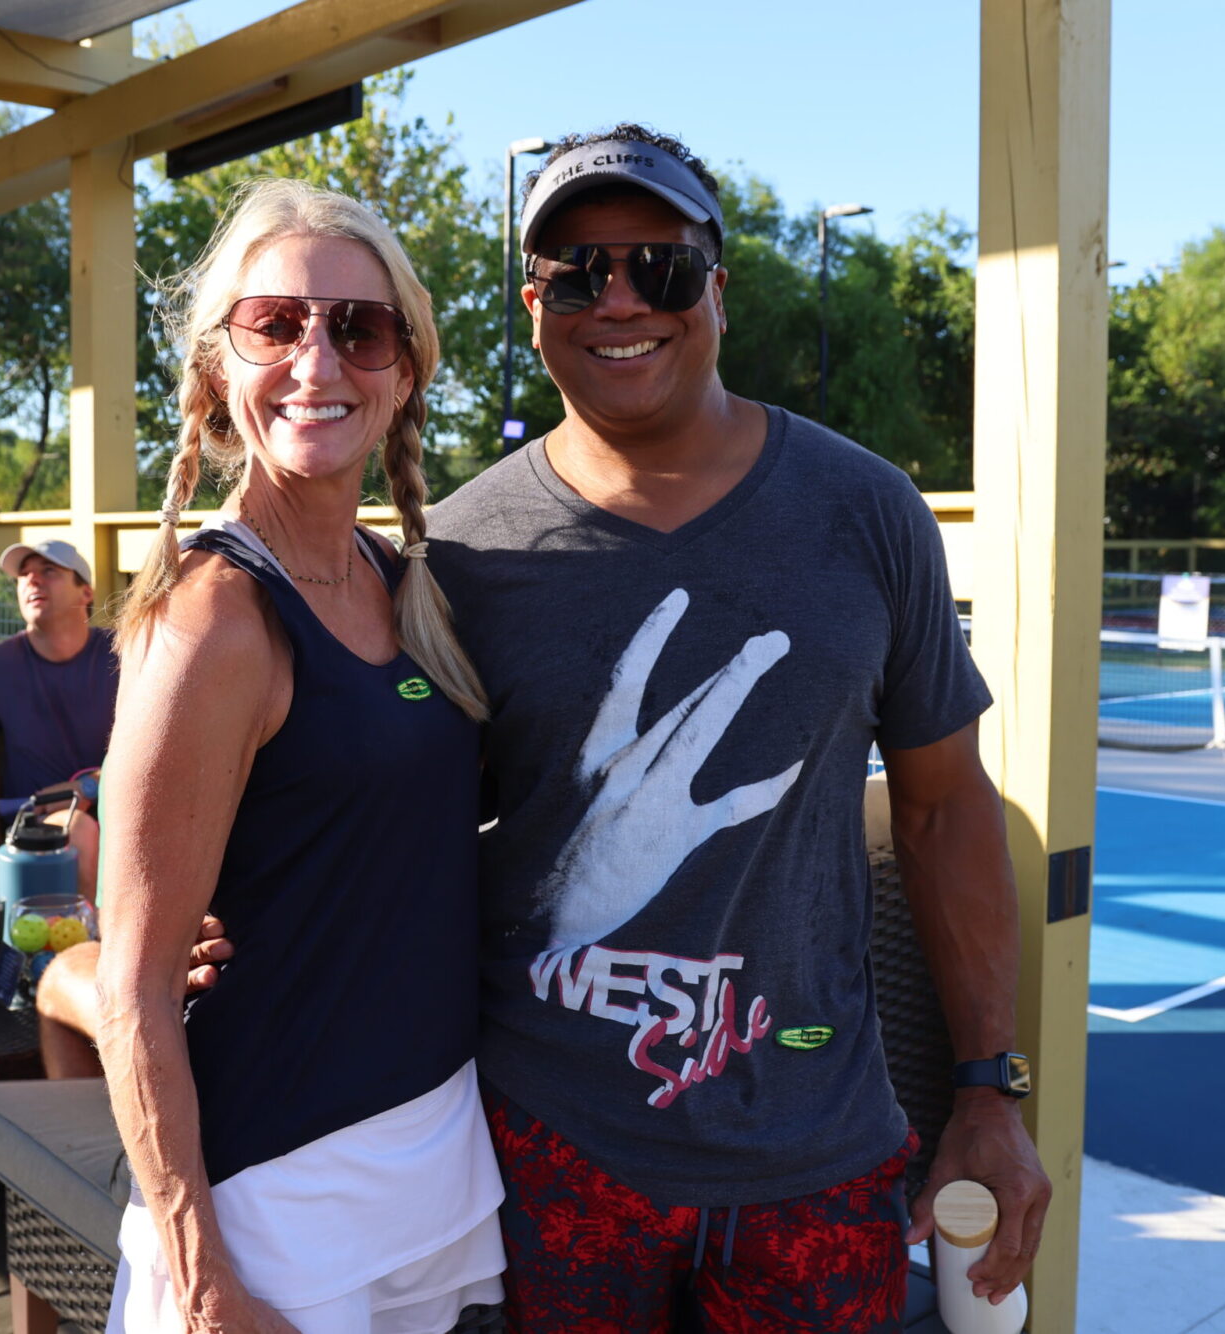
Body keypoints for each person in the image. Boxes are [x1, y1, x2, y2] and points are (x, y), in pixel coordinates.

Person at [420, 128, 1053, 1330]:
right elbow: (391, 824)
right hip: (547, 1151)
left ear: (716, 287)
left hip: (813, 1152)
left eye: (655, 265)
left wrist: (986, 1088)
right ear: (534, 307)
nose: (617, 299)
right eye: (576, 272)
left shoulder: (867, 510)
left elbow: (941, 805)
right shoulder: (456, 552)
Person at [95, 178, 504, 1334]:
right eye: (273, 323)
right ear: (217, 366)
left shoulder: (398, 581)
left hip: (428, 1158)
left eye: (358, 328)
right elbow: (132, 986)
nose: (316, 361)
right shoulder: (213, 618)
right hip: (273, 1201)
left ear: (405, 369)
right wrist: (203, 1280)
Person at [0, 539, 117, 1077]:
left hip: (126, 802)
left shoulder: (124, 652)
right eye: (24, 574)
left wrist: (96, 783)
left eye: (50, 571)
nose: (32, 580)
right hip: (40, 823)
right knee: (81, 834)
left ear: (86, 592)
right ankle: (101, 985)